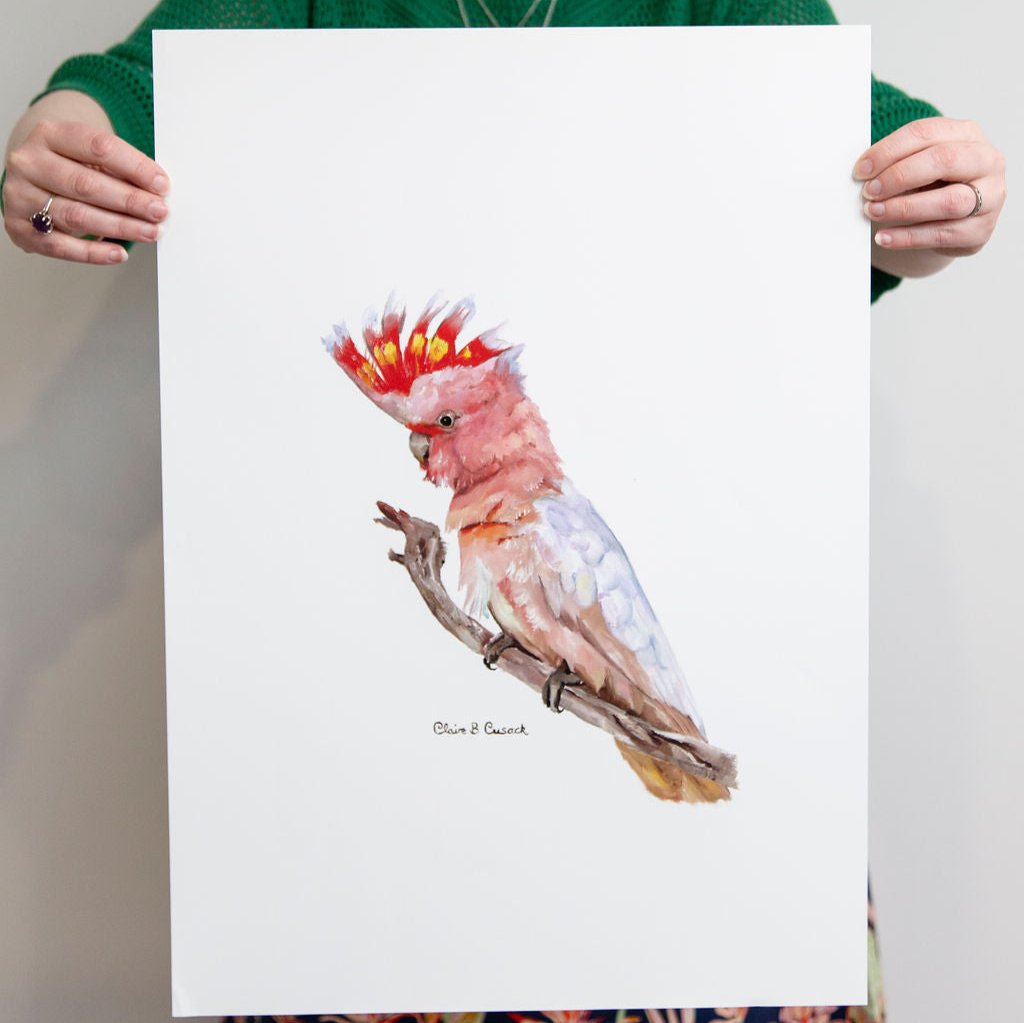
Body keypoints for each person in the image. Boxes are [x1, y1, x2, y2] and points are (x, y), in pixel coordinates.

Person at [0, 3, 1007, 1023]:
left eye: (439, 420)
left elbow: (863, 170)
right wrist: (49, 193)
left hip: (701, 904)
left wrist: (937, 201)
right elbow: (111, 122)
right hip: (369, 862)